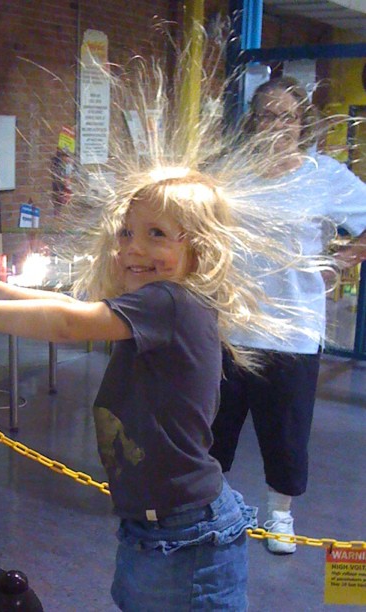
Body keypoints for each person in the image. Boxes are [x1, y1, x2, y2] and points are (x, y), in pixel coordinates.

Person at [0, 162, 314, 610]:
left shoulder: (170, 301)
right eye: (126, 232)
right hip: (157, 523)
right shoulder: (159, 304)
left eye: (156, 234)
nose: (134, 248)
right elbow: (68, 305)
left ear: (201, 248)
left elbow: (68, 323)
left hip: (186, 533)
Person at [209, 76, 366, 555]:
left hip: (292, 331)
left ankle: (280, 515)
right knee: (214, 428)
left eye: (287, 117)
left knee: (286, 432)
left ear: (302, 123)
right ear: (252, 121)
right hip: (228, 325)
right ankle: (213, 506)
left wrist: (341, 261)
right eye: (267, 115)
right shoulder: (229, 171)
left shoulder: (324, 175)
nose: (276, 125)